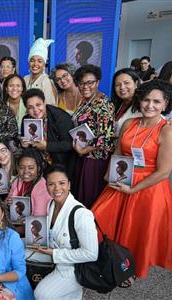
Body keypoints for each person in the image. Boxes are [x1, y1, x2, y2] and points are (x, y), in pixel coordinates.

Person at [92, 80, 172, 279]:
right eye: (146, 100)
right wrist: (108, 174)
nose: (150, 105)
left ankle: (126, 266)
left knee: (136, 230)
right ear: (139, 100)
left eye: (156, 101)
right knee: (98, 219)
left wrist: (133, 189)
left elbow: (163, 172)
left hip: (148, 188)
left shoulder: (166, 130)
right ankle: (107, 259)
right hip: (121, 179)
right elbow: (118, 153)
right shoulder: (130, 123)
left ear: (165, 104)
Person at [33, 164, 98, 300]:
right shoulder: (51, 204)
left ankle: (74, 292)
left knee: (42, 294)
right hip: (53, 255)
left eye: (61, 183)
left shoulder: (81, 214)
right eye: (51, 184)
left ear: (69, 184)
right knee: (19, 253)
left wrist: (55, 253)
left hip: (73, 268)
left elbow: (91, 254)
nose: (57, 189)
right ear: (46, 187)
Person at [71, 64, 115, 208]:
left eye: (90, 82)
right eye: (81, 83)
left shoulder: (103, 104)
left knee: (90, 200)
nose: (85, 86)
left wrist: (83, 150)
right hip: (83, 156)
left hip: (95, 160)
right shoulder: (85, 101)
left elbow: (106, 138)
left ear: (98, 82)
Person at [21, 88, 76, 179]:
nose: (35, 110)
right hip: (40, 165)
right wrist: (24, 144)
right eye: (30, 107)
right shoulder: (26, 120)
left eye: (38, 105)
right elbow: (27, 146)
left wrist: (47, 146)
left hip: (61, 164)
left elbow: (70, 144)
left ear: (44, 102)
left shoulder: (60, 117)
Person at [7, 148, 51, 222]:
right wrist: (8, 203)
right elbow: (7, 202)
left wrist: (13, 230)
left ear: (39, 168)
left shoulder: (42, 187)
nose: (25, 171)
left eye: (31, 168)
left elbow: (38, 220)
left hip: (29, 229)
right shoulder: (17, 181)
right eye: (21, 168)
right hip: (16, 224)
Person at [24, 38, 57, 106]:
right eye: (32, 60)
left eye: (39, 61)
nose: (35, 64)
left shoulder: (46, 81)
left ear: (44, 64)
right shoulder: (25, 79)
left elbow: (49, 107)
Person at [112, 68, 142, 137]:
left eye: (126, 83)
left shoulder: (142, 107)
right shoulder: (116, 104)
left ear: (136, 83)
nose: (122, 87)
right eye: (117, 85)